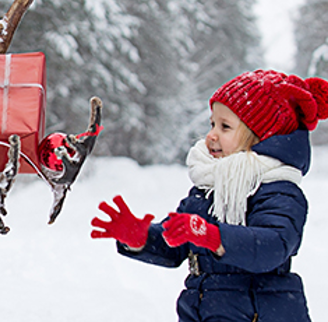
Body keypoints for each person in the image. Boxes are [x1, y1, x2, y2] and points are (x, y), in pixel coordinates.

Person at [91, 69, 328, 322]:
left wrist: (213, 236)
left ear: (259, 137)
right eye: (212, 123)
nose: (211, 135)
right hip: (203, 311)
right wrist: (141, 237)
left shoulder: (278, 189)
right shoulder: (207, 190)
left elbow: (273, 245)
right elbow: (176, 244)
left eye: (225, 126)